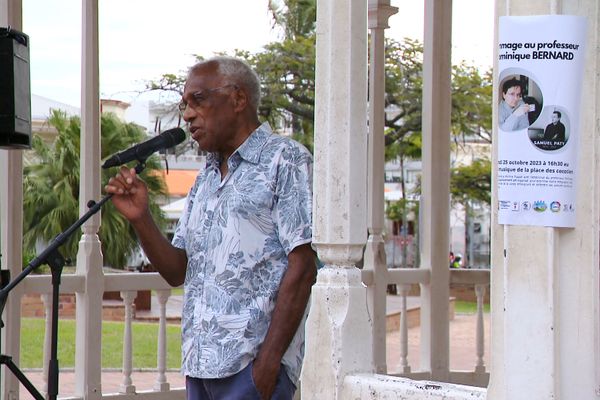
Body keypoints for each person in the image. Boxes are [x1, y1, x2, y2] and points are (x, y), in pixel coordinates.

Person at [105, 56, 316, 400]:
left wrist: (268, 365)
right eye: (184, 104)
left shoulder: (285, 160)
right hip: (200, 368)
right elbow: (177, 271)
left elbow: (304, 264)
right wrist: (141, 218)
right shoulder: (206, 176)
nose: (187, 114)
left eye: (198, 100)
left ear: (238, 98)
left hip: (252, 371)